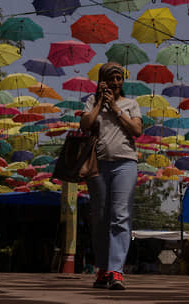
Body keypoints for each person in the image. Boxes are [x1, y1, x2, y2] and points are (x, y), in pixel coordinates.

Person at [80, 62, 142, 290]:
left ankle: (116, 270)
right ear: (102, 81)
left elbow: (136, 130)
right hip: (97, 165)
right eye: (111, 78)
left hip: (125, 164)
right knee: (99, 219)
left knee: (120, 215)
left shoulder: (131, 104)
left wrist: (116, 109)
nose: (116, 82)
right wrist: (99, 103)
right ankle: (103, 268)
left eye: (119, 78)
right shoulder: (91, 102)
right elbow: (85, 124)